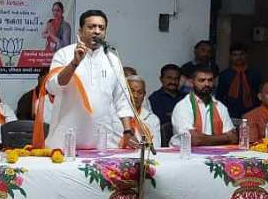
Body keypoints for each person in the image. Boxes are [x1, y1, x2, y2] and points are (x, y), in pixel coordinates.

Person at [37, 10, 138, 150]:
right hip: (66, 140)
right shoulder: (64, 54)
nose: (97, 31)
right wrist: (74, 63)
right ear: (80, 31)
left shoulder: (113, 60)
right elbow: (52, 88)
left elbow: (122, 99)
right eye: (91, 27)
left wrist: (128, 131)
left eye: (101, 28)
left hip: (102, 142)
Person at [170, 65, 236, 148]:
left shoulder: (220, 106)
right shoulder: (183, 106)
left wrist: (204, 139)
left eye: (210, 80)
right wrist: (226, 137)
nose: (207, 84)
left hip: (216, 152)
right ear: (192, 82)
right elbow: (194, 140)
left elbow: (234, 138)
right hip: (185, 153)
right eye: (202, 80)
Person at [216, 43, 262, 120]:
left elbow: (259, 95)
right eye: (235, 55)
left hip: (251, 111)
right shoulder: (224, 75)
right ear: (231, 57)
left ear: (246, 55)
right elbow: (219, 96)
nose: (239, 57)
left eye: (241, 54)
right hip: (230, 112)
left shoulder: (255, 74)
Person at [149, 64, 185, 148]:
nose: (173, 82)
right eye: (169, 78)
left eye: (176, 78)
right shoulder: (154, 98)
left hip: (185, 140)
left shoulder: (186, 98)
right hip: (164, 143)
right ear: (161, 79)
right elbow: (159, 121)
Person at [128, 75, 160, 145]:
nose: (135, 96)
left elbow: (156, 147)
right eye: (131, 91)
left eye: (140, 92)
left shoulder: (152, 119)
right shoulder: (113, 117)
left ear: (144, 95)